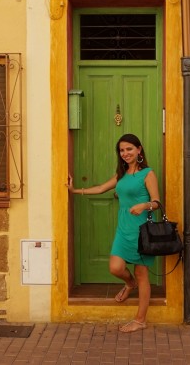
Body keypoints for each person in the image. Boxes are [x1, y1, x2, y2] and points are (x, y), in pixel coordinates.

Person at [66, 133, 160, 333]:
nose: (125, 153)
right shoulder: (121, 174)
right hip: (123, 229)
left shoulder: (148, 174)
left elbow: (157, 202)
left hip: (142, 230)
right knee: (115, 268)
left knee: (142, 274)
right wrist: (75, 190)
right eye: (122, 150)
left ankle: (140, 320)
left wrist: (144, 205)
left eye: (129, 149)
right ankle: (129, 284)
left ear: (139, 150)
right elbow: (101, 188)